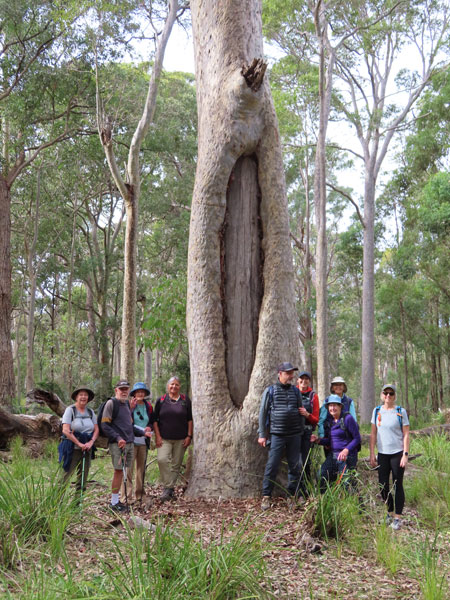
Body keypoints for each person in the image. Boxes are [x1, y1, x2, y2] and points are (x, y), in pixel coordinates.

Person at [258, 362, 304, 510]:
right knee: (272, 465)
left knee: (294, 467)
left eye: (292, 373)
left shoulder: (296, 392)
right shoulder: (270, 391)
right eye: (288, 373)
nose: (290, 376)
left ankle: (292, 496)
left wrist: (301, 429)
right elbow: (263, 413)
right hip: (276, 435)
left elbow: (301, 410)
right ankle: (266, 496)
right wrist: (262, 434)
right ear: (280, 373)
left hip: (294, 434)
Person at [101, 380, 152, 512]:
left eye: (126, 389)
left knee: (123, 471)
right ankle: (114, 502)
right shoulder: (111, 404)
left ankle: (118, 501)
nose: (124, 391)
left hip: (129, 443)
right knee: (119, 471)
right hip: (118, 444)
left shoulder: (126, 406)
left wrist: (143, 433)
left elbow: (129, 427)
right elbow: (105, 425)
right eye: (121, 389)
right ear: (116, 390)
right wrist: (118, 438)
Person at [369, 384, 410, 530]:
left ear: (394, 396)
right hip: (382, 454)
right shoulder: (376, 411)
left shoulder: (400, 412)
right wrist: (372, 453)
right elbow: (373, 433)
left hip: (397, 454)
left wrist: (405, 454)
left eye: (391, 393)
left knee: (398, 484)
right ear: (381, 395)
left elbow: (406, 434)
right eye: (385, 393)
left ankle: (397, 518)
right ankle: (389, 512)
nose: (388, 396)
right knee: (383, 485)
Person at [152, 376, 193, 501]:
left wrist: (189, 436)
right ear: (168, 386)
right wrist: (158, 436)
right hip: (164, 438)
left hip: (181, 438)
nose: (174, 386)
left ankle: (168, 491)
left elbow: (190, 419)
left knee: (176, 464)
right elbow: (154, 421)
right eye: (172, 384)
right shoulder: (161, 400)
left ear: (179, 386)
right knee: (162, 459)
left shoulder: (185, 400)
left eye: (176, 384)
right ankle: (168, 487)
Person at [311, 394, 361, 493]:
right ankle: (325, 501)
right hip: (333, 456)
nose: (332, 408)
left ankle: (358, 506)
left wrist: (346, 450)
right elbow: (331, 441)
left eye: (335, 405)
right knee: (321, 475)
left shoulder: (347, 418)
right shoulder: (330, 421)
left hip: (348, 456)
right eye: (330, 406)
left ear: (340, 406)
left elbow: (357, 438)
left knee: (348, 484)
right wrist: (318, 440)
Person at [60, 386, 99, 496]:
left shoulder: (90, 412)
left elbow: (96, 430)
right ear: (76, 397)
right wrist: (78, 443)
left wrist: (91, 442)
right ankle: (57, 504)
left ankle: (77, 504)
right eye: (81, 395)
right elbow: (66, 430)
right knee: (65, 476)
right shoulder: (70, 410)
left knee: (82, 478)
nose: (83, 397)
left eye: (85, 395)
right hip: (71, 448)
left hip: (87, 448)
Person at [120, 382, 153, 503]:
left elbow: (151, 420)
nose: (140, 394)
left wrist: (149, 427)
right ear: (134, 393)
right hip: (131, 441)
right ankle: (126, 497)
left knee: (141, 469)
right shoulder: (128, 406)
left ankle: (139, 495)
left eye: (142, 392)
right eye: (138, 392)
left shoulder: (148, 406)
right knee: (128, 469)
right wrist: (131, 408)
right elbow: (128, 423)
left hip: (144, 442)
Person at [297, 371, 319, 492]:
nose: (304, 381)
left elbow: (316, 419)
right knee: (294, 462)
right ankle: (294, 491)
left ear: (309, 381)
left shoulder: (313, 396)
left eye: (306, 379)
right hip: (293, 433)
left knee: (305, 462)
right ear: (297, 380)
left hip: (306, 433)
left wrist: (307, 415)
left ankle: (305, 490)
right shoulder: (292, 392)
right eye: (302, 379)